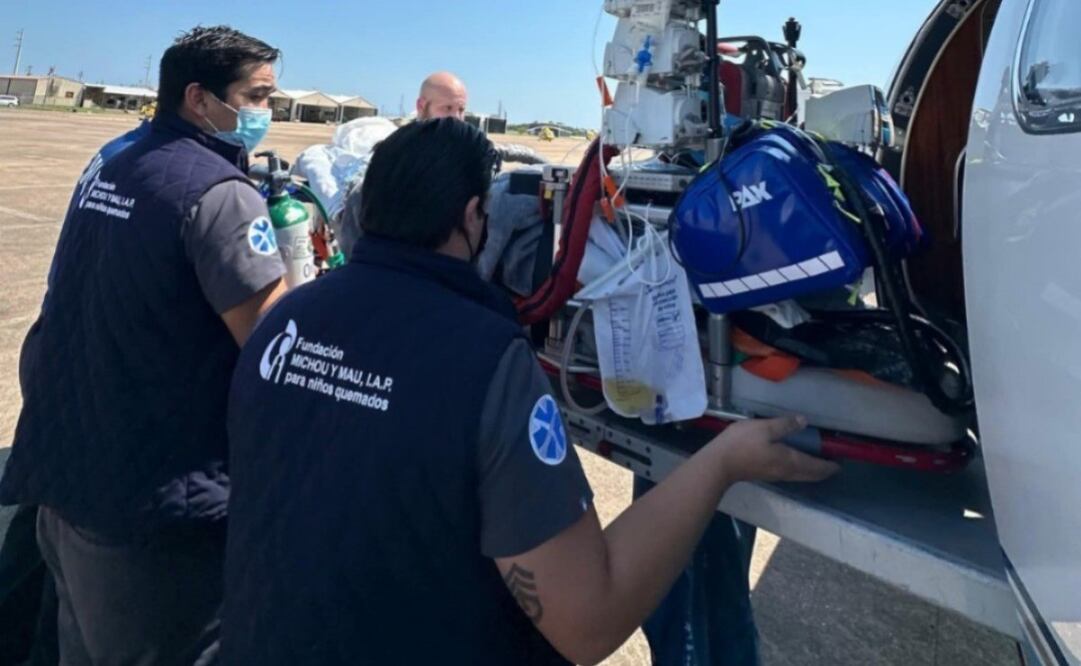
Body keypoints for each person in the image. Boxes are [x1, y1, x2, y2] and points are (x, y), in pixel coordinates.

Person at [222, 118, 837, 665]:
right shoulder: (482, 359)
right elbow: (589, 622)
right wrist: (723, 462)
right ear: (470, 217)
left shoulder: (286, 318)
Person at [0, 25, 287, 665]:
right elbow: (271, 349)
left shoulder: (114, 156)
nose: (268, 112)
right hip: (153, 508)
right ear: (199, 98)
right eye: (258, 96)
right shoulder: (221, 195)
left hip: (65, 474)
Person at [0, 119, 152, 666]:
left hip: (61, 341)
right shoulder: (158, 166)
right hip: (85, 354)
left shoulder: (120, 154)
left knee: (44, 507)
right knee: (57, 524)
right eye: (252, 97)